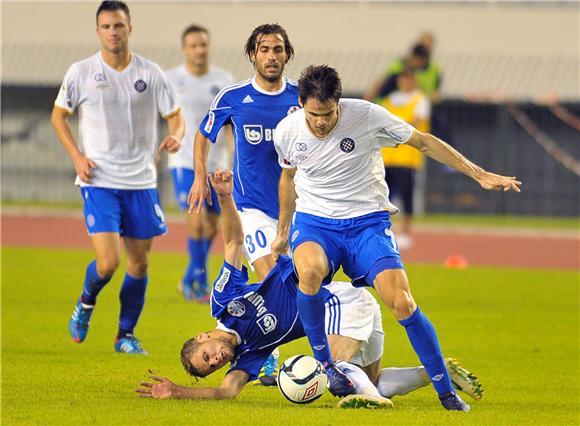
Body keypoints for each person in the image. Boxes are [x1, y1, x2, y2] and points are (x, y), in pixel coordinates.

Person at [271, 65, 520, 411]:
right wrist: (284, 230)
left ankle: (446, 392)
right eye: (314, 115)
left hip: (366, 224)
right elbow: (287, 179)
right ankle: (326, 365)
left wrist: (478, 174)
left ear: (338, 104)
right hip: (316, 223)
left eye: (328, 114)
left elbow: (423, 142)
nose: (321, 123)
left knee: (402, 301)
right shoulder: (286, 131)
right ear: (301, 105)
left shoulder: (368, 116)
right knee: (308, 272)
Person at [136, 170, 483, 407]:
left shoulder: (225, 302)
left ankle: (372, 405)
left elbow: (232, 242)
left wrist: (225, 197)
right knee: (367, 379)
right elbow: (227, 393)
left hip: (338, 303)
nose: (217, 360)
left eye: (207, 356)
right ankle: (439, 374)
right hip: (353, 309)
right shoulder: (249, 356)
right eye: (212, 366)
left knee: (331, 371)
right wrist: (177, 392)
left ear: (201, 336)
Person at [51, 1, 184, 354]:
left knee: (139, 263)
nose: (113, 32)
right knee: (108, 263)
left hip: (140, 181)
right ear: (98, 31)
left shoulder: (151, 73)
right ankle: (86, 301)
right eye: (107, 26)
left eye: (119, 25)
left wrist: (177, 136)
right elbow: (58, 116)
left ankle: (125, 335)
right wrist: (77, 156)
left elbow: (176, 115)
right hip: (99, 180)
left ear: (130, 28)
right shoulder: (81, 72)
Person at [188, 23, 300, 385]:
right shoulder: (233, 97)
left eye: (278, 49)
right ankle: (270, 353)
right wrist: (198, 176)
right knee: (269, 273)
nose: (271, 56)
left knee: (302, 284)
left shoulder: (301, 99)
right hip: (249, 208)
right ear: (252, 54)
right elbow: (204, 135)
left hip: (297, 210)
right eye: (264, 49)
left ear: (287, 55)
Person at [165, 24, 234, 302]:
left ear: (209, 46)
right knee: (196, 223)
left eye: (203, 44)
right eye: (193, 45)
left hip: (217, 163)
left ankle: (187, 278)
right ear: (185, 49)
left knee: (210, 227)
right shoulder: (171, 79)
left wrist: (234, 156)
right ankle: (201, 283)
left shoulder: (223, 79)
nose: (199, 50)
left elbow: (230, 123)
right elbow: (167, 115)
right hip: (184, 161)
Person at [380, 69, 431, 248]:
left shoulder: (420, 99)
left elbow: (414, 122)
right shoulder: (390, 99)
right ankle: (384, 230)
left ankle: (406, 232)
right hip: (387, 156)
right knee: (383, 195)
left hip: (407, 157)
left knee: (407, 195)